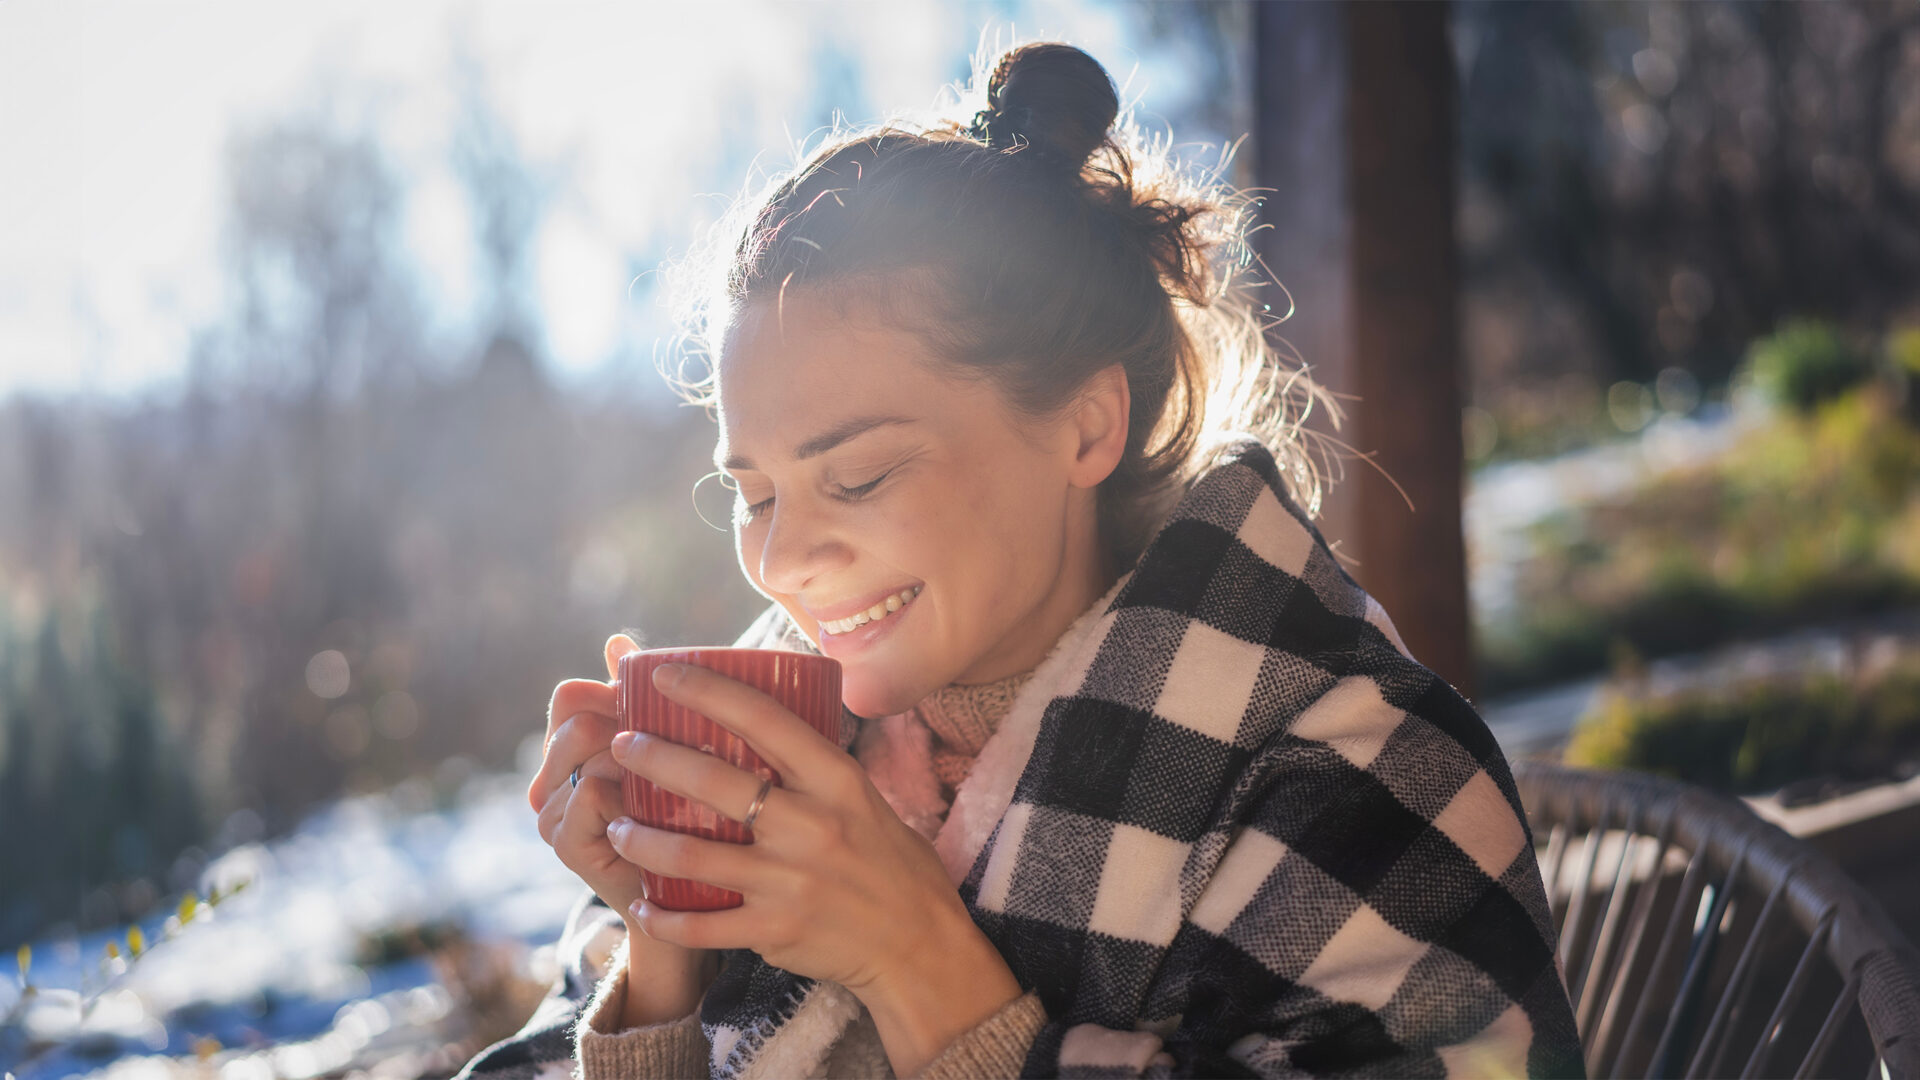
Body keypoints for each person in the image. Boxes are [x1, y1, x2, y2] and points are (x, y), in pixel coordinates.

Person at [457, 40, 1585, 1080]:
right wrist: (667, 943)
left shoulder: (1357, 766)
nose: (783, 560)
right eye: (752, 495)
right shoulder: (787, 752)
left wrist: (916, 961)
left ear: (1085, 429)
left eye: (856, 478)